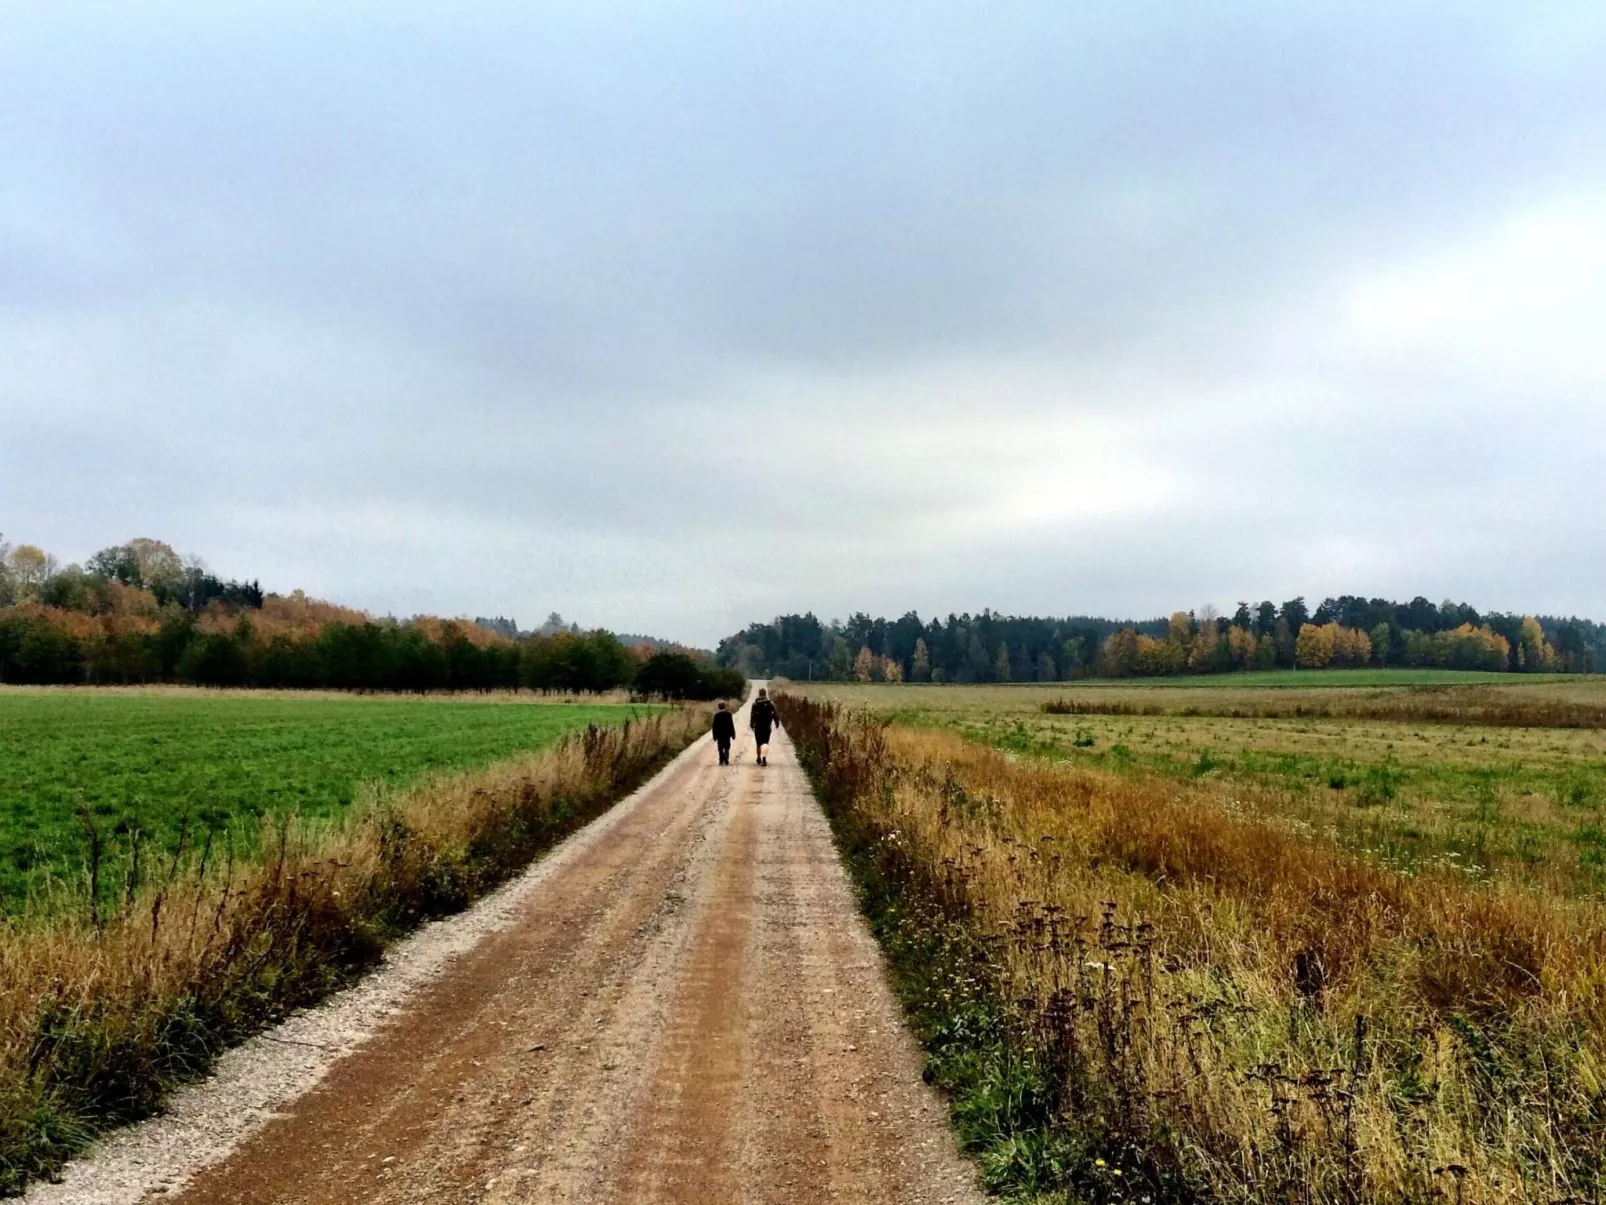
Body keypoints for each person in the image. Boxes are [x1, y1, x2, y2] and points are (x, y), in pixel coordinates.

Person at [749, 687, 779, 766]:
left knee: (758, 743)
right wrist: (777, 723)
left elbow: (752, 716)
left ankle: (758, 758)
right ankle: (764, 759)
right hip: (767, 726)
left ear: (759, 694)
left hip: (758, 726)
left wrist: (752, 725)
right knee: (765, 743)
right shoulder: (771, 704)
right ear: (765, 694)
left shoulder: (755, 704)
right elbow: (775, 715)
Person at [712, 700, 736, 765]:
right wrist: (733, 734)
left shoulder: (716, 715)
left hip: (719, 734)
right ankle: (726, 757)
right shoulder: (729, 714)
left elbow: (714, 727)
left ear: (718, 707)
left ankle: (721, 759)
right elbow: (731, 725)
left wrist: (714, 736)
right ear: (725, 707)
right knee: (727, 746)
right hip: (727, 734)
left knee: (720, 747)